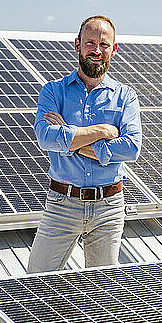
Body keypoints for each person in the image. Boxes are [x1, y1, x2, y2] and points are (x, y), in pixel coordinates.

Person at [27, 15, 142, 273]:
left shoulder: (125, 97)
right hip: (61, 205)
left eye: (104, 44)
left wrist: (69, 137)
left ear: (113, 49)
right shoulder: (53, 91)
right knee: (36, 280)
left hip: (109, 208)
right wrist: (101, 132)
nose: (96, 50)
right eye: (90, 43)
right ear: (77, 44)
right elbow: (45, 136)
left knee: (102, 289)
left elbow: (132, 148)